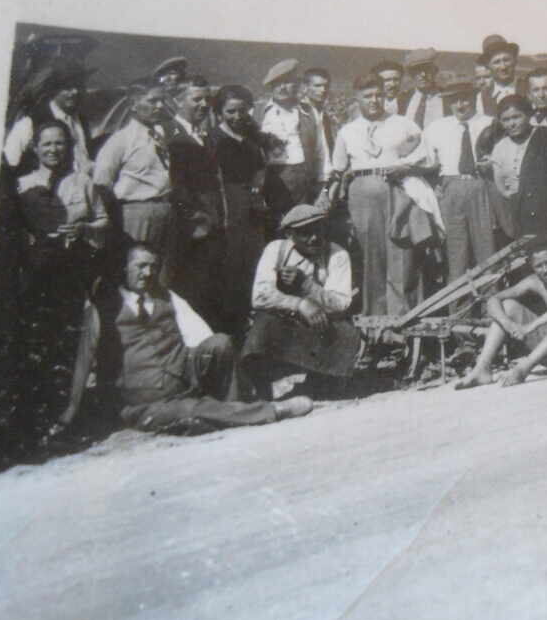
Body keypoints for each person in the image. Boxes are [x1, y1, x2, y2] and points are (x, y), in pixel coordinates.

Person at [59, 242, 317, 435]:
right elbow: (84, 360)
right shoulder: (102, 309)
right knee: (192, 409)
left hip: (182, 376)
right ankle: (272, 411)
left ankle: (236, 407)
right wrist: (71, 412)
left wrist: (208, 362)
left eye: (153, 267)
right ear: (124, 268)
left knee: (220, 342)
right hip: (144, 401)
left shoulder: (166, 296)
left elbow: (200, 334)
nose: (148, 273)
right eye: (141, 266)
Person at [15, 121, 110, 428]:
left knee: (70, 340)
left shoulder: (82, 182)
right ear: (35, 148)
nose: (54, 150)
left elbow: (103, 222)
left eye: (59, 144)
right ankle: (38, 411)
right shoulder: (22, 185)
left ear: (68, 147)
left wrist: (83, 228)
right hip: (37, 275)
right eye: (47, 144)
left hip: (73, 272)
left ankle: (68, 411)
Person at [332, 72, 438, 316]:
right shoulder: (348, 131)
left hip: (397, 190)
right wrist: (327, 197)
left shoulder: (403, 123)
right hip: (362, 195)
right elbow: (337, 170)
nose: (374, 100)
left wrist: (407, 167)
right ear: (357, 98)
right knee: (372, 259)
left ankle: (403, 322)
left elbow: (428, 158)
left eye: (379, 94)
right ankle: (376, 324)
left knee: (402, 256)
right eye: (367, 96)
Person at [239, 201, 362, 397]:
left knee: (346, 334)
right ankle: (264, 383)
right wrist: (300, 304)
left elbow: (341, 303)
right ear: (289, 235)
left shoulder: (337, 254)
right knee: (264, 324)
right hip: (284, 323)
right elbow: (260, 296)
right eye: (305, 232)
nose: (314, 238)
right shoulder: (276, 250)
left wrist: (307, 287)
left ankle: (321, 382)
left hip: (321, 325)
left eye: (319, 230)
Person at [454, 237, 547, 389]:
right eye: (539, 266)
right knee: (508, 306)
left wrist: (530, 326)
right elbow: (493, 300)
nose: (545, 270)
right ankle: (482, 369)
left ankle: (524, 368)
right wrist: (509, 325)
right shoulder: (534, 281)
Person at [161, 76, 226, 325]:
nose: (203, 104)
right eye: (196, 99)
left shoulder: (204, 135)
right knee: (187, 289)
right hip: (189, 228)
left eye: (207, 99)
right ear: (177, 100)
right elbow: (176, 186)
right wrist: (194, 220)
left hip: (210, 225)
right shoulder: (170, 134)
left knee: (207, 288)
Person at [210, 85, 270, 335]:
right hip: (228, 206)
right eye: (230, 111)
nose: (237, 117)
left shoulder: (251, 138)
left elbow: (261, 167)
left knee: (253, 264)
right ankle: (231, 327)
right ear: (219, 112)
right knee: (231, 266)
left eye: (242, 111)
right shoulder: (213, 139)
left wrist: (258, 188)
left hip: (252, 206)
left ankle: (252, 323)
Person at [423, 81, 496, 283]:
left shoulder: (490, 123)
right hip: (450, 188)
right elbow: (426, 162)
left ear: (474, 98)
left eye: (465, 99)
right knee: (455, 252)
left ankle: (491, 306)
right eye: (454, 100)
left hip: (481, 185)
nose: (460, 105)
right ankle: (458, 309)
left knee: (486, 249)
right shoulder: (436, 128)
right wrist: (435, 187)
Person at [93, 84, 173, 252]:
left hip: (164, 210)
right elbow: (101, 182)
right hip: (135, 214)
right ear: (133, 105)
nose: (159, 106)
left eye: (161, 101)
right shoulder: (121, 140)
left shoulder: (159, 136)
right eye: (152, 101)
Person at [258, 58, 326, 227]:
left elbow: (321, 152)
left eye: (287, 82)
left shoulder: (309, 112)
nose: (281, 87)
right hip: (273, 183)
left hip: (304, 182)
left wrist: (322, 187)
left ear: (296, 84)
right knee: (276, 230)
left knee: (304, 228)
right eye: (276, 83)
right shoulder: (259, 113)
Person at [487, 95, 547, 238]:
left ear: (529, 115)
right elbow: (500, 184)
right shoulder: (500, 148)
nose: (512, 124)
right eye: (506, 120)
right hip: (520, 211)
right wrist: (515, 196)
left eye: (516, 117)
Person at [3, 57, 96, 176]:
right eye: (67, 88)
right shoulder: (30, 122)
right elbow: (10, 163)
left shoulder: (81, 121)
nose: (75, 92)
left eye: (79, 86)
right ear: (54, 89)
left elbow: (84, 159)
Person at [399, 49, 446, 129]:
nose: (423, 75)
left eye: (427, 69)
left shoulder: (446, 98)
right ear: (411, 74)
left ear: (434, 71)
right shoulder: (403, 99)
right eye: (418, 70)